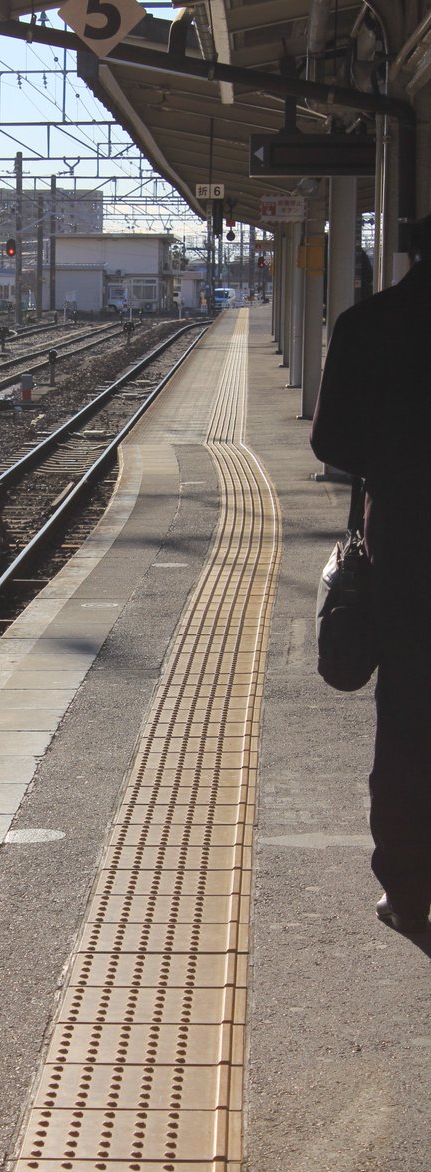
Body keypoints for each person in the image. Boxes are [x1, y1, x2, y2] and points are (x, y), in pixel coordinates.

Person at [311, 214, 431, 936]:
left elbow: (331, 440)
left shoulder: (368, 325)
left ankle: (408, 891)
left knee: (409, 718)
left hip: (407, 544)